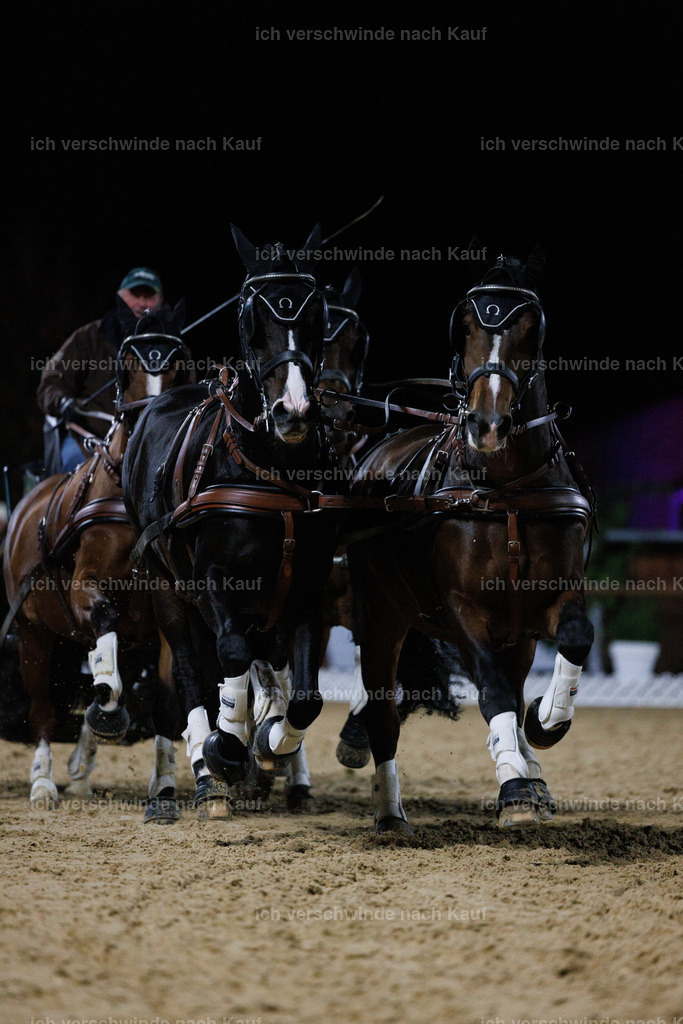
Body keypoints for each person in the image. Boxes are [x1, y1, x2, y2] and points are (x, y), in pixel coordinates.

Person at [37, 268, 165, 473]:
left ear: (160, 302)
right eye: (135, 295)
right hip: (88, 438)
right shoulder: (88, 338)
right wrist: (62, 401)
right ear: (120, 297)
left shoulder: (171, 347)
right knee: (76, 467)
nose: (142, 303)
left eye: (149, 296)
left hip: (151, 445)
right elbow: (51, 382)